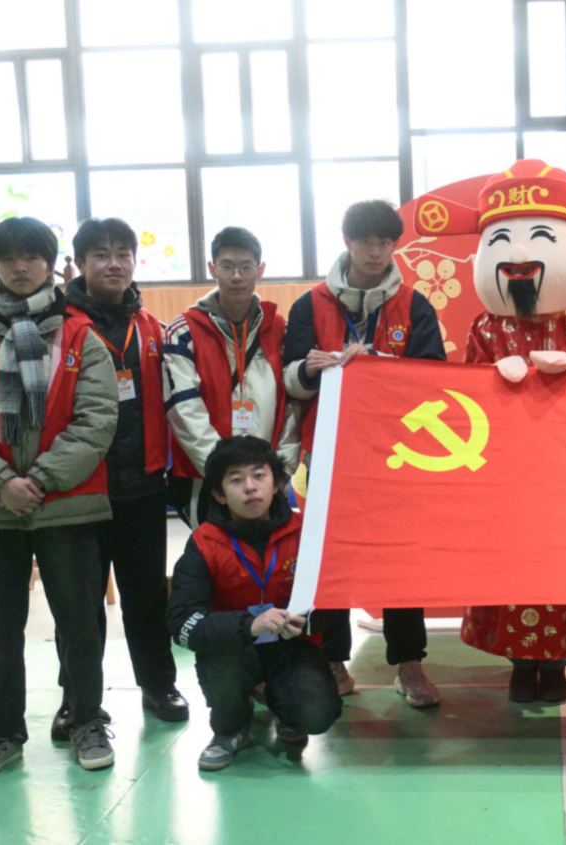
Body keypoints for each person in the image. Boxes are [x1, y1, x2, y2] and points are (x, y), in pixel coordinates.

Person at [412, 159, 566, 702]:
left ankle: (555, 664)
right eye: (502, 242)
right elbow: (463, 399)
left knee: (561, 566)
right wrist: (493, 378)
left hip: (565, 477)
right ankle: (518, 661)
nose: (516, 257)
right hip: (504, 478)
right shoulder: (484, 328)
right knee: (507, 566)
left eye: (540, 238)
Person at [0, 217, 119, 783]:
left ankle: (85, 720)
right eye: (8, 258)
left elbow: (96, 419)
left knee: (80, 626)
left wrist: (37, 479)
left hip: (68, 504)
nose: (19, 267)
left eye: (31, 257)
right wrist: (0, 482)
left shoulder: (82, 339)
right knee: (0, 632)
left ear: (50, 264)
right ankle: (0, 733)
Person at [282, 200, 446, 708]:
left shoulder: (415, 306)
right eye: (365, 242)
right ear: (347, 242)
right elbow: (289, 377)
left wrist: (375, 365)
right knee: (328, 556)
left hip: (395, 456)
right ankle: (334, 661)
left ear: (395, 246)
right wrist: (312, 370)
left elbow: (433, 381)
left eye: (384, 243)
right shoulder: (310, 305)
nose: (375, 252)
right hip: (328, 452)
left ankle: (409, 662)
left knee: (401, 558)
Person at [57, 218, 187, 738]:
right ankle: (76, 700)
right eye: (100, 254)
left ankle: (159, 686)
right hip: (78, 491)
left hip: (143, 488)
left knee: (147, 598)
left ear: (134, 260)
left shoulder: (151, 327)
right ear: (80, 263)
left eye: (122, 254)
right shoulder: (58, 326)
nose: (113, 263)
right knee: (80, 606)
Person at [166, 436, 342, 770]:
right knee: (224, 662)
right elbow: (182, 623)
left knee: (314, 715)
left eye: (259, 475)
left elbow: (334, 599)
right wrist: (249, 625)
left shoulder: (306, 534)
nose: (250, 487)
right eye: (236, 479)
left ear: (277, 483)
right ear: (219, 494)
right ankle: (230, 729)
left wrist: (308, 622)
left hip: (291, 645)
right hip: (233, 649)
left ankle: (283, 705)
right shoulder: (204, 542)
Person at [164, 226, 301, 527]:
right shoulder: (183, 332)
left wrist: (280, 469)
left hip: (269, 479)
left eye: (246, 267)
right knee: (214, 554)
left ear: (260, 270)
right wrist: (224, 475)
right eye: (226, 266)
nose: (236, 276)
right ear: (212, 269)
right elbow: (182, 409)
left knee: (271, 553)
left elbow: (294, 405)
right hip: (206, 479)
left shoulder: (281, 330)